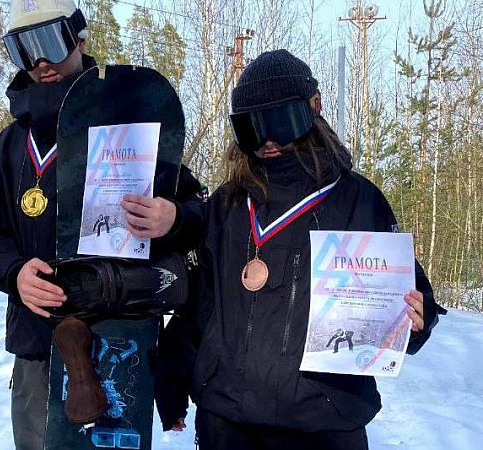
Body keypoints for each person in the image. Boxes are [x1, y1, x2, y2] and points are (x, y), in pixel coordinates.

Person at [155, 49, 442, 449]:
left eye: (280, 122)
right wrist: (172, 380)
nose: (268, 140)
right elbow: (200, 306)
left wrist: (416, 319)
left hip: (324, 420)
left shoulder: (357, 200)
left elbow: (407, 296)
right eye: (251, 128)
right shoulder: (227, 205)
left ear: (313, 110)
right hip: (228, 420)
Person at [0, 1, 204, 448]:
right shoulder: (10, 149)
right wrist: (14, 272)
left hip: (117, 335)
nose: (42, 62)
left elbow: (198, 207)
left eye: (50, 41)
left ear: (80, 39)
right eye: (24, 50)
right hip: (38, 342)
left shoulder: (129, 129)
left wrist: (173, 217)